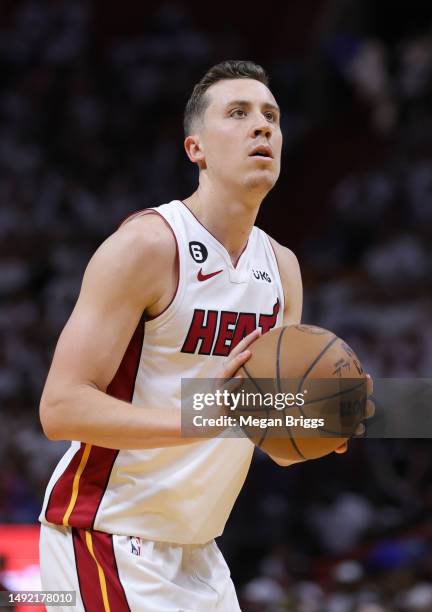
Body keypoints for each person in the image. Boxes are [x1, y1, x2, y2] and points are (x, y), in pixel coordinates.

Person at [38, 60, 371, 611]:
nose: (261, 126)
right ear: (195, 148)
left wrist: (322, 422)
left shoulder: (281, 268)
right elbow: (60, 409)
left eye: (271, 116)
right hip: (104, 535)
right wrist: (201, 419)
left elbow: (270, 437)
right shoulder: (147, 246)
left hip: (199, 550)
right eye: (237, 114)